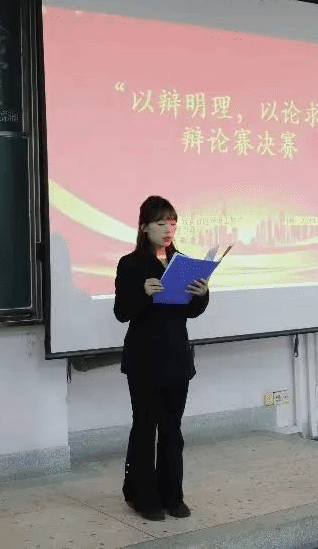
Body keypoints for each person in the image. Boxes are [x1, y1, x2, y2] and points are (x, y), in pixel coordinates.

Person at [114, 196, 210, 522]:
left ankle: (172, 496)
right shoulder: (131, 264)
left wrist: (202, 295)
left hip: (176, 358)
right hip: (144, 360)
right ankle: (142, 497)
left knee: (172, 429)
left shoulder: (181, 262)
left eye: (172, 223)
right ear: (144, 227)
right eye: (160, 223)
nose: (168, 229)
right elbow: (121, 312)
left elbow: (190, 311)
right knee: (145, 427)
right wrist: (142, 293)